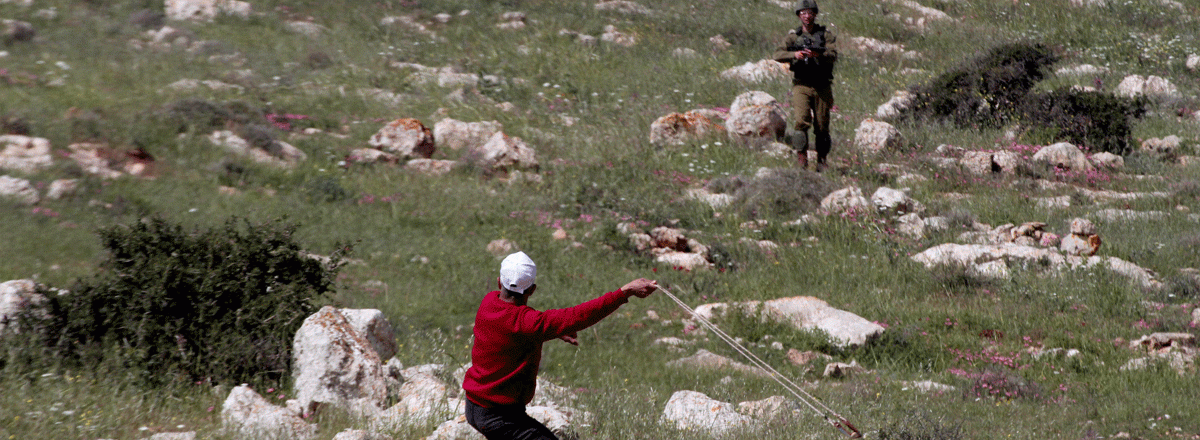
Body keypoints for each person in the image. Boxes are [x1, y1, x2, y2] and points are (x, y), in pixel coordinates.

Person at [462, 251, 658, 440]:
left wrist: (551, 331)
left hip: (474, 405)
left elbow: (517, 327)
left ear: (499, 282)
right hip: (499, 415)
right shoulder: (529, 323)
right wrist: (624, 292)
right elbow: (578, 316)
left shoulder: (489, 301)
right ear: (532, 289)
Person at [773, 0, 838, 170]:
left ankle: (822, 162)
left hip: (822, 85)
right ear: (798, 15)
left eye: (810, 13)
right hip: (801, 84)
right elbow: (777, 54)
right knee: (801, 122)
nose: (807, 16)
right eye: (803, 13)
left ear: (815, 14)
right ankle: (802, 161)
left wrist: (818, 54)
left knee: (822, 126)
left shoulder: (825, 35)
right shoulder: (793, 36)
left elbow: (833, 54)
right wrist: (795, 54)